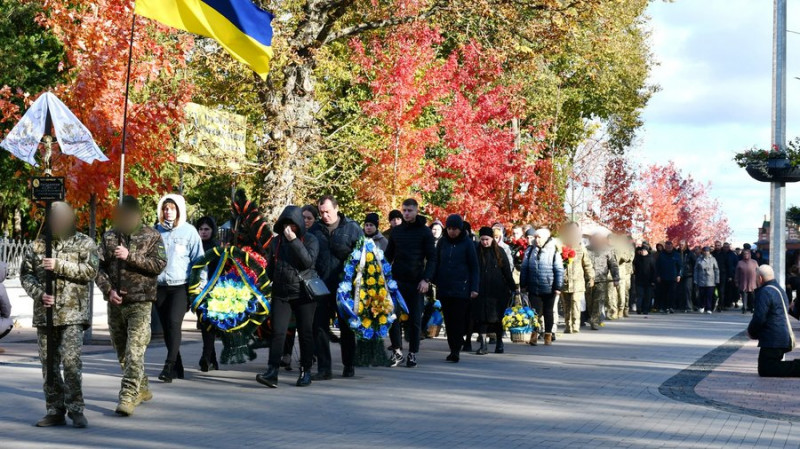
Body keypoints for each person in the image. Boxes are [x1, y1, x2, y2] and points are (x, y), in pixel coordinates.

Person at [20, 202, 99, 428]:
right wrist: (39, 294)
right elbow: (26, 275)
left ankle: (76, 409)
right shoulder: (37, 245)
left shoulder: (85, 242)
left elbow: (91, 271)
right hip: (45, 314)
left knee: (71, 362)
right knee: (49, 364)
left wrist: (59, 265)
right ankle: (54, 409)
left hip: (73, 314)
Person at [96, 196, 167, 416]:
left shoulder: (152, 236)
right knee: (122, 352)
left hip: (140, 302)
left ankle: (127, 396)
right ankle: (142, 386)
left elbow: (159, 265)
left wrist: (130, 256)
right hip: (116, 303)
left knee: (134, 351)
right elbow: (97, 268)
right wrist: (109, 290)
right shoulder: (109, 237)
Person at [256, 206, 320, 388]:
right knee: (278, 333)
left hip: (304, 294)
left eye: (292, 224)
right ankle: (272, 371)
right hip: (281, 293)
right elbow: (270, 268)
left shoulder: (310, 239)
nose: (288, 228)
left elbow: (308, 261)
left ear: (299, 224)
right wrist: (261, 284)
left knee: (305, 333)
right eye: (285, 224)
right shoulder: (276, 242)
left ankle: (306, 371)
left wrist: (293, 241)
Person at [154, 194, 204, 383]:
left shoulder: (189, 232)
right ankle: (178, 365)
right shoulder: (155, 231)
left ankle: (168, 366)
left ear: (179, 210)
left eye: (172, 208)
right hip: (160, 286)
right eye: (165, 208)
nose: (168, 212)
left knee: (174, 322)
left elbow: (199, 261)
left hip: (180, 286)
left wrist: (198, 286)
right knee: (167, 327)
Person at [313, 196, 363, 379]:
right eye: (321, 212)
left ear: (336, 208)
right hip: (321, 285)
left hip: (345, 288)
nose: (325, 215)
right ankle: (324, 368)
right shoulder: (315, 230)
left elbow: (364, 257)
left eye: (327, 211)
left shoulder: (352, 228)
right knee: (319, 327)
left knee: (347, 327)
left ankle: (349, 364)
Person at [385, 199, 437, 368]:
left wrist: (426, 279)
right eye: (404, 210)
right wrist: (382, 275)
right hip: (397, 281)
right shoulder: (396, 232)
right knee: (393, 317)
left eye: (409, 210)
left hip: (416, 283)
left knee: (415, 320)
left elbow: (432, 258)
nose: (406, 213)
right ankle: (397, 351)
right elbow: (388, 256)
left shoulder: (425, 232)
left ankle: (412, 353)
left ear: (416, 210)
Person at [434, 215, 479, 361]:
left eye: (455, 229)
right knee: (448, 320)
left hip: (462, 288)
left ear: (460, 229)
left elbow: (474, 267)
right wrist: (432, 279)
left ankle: (455, 350)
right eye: (450, 229)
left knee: (458, 319)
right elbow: (436, 261)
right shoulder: (443, 242)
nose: (452, 232)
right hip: (445, 286)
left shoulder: (467, 243)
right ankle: (452, 346)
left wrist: (474, 287)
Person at [747, 265, 800, 377]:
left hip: (773, 339)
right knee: (768, 367)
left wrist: (751, 332)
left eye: (756, 278)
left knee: (767, 369)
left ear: (760, 278)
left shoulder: (765, 292)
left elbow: (759, 318)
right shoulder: (779, 289)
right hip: (779, 336)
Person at [520, 228, 564, 345]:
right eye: (535, 237)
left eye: (539, 237)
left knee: (548, 312)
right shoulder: (530, 250)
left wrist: (558, 287)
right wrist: (523, 284)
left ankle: (548, 335)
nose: (536, 240)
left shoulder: (554, 251)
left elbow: (559, 270)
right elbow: (524, 268)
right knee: (534, 312)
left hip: (549, 287)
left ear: (546, 238)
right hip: (534, 286)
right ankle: (533, 335)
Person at [474, 227, 515, 354]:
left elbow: (507, 271)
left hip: (498, 292)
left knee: (497, 318)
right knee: (481, 318)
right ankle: (483, 345)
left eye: (487, 239)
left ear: (492, 239)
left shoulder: (499, 251)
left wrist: (513, 288)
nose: (485, 242)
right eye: (482, 239)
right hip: (480, 290)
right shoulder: (476, 251)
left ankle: (499, 343)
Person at [559, 222, 594, 334]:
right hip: (565, 281)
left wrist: (591, 277)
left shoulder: (581, 248)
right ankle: (568, 325)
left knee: (575, 303)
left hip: (578, 281)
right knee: (566, 305)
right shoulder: (562, 246)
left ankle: (575, 325)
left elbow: (587, 264)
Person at [195, 215, 220, 372]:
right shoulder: (195, 245)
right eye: (201, 229)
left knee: (208, 325)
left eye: (207, 229)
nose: (203, 232)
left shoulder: (216, 247)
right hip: (198, 291)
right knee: (205, 325)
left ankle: (205, 357)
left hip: (213, 291)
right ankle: (212, 359)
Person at [608, 234, 634, 319]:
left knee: (622, 294)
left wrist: (620, 254)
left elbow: (629, 258)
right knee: (612, 294)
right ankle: (613, 311)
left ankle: (622, 309)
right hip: (611, 274)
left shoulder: (626, 248)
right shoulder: (608, 248)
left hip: (622, 274)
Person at [655, 241, 682, 314]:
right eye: (667, 247)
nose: (668, 248)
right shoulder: (661, 255)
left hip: (673, 277)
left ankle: (671, 307)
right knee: (664, 293)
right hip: (663, 277)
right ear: (665, 247)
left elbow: (680, 266)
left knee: (672, 293)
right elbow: (657, 266)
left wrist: (679, 275)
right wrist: (658, 275)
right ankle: (664, 307)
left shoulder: (676, 255)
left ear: (672, 246)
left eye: (670, 247)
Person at [694, 246, 719, 314]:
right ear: (702, 252)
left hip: (710, 280)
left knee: (709, 295)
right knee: (701, 294)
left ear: (709, 252)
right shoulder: (699, 259)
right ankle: (702, 306)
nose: (706, 252)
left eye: (707, 251)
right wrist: (695, 279)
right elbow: (696, 269)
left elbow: (716, 269)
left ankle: (709, 308)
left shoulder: (713, 259)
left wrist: (717, 280)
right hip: (701, 279)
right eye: (704, 251)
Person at [633, 245, 656, 315]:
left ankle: (645, 309)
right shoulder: (637, 259)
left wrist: (653, 281)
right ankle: (639, 308)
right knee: (640, 295)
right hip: (639, 280)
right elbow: (634, 268)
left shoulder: (651, 259)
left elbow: (654, 270)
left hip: (648, 281)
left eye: (644, 250)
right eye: (642, 250)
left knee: (647, 296)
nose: (643, 252)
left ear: (647, 251)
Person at [735, 249, 759, 314]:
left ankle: (752, 308)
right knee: (744, 296)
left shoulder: (754, 262)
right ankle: (744, 308)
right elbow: (737, 273)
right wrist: (736, 281)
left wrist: (759, 281)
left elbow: (758, 272)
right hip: (743, 281)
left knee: (752, 296)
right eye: (744, 254)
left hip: (752, 282)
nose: (746, 255)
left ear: (750, 254)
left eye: (747, 253)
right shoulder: (740, 262)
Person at [678, 240, 697, 312]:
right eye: (680, 244)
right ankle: (681, 306)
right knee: (680, 291)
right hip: (679, 275)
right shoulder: (677, 253)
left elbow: (695, 263)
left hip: (689, 274)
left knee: (688, 290)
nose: (681, 246)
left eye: (682, 244)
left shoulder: (690, 253)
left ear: (686, 245)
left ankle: (689, 306)